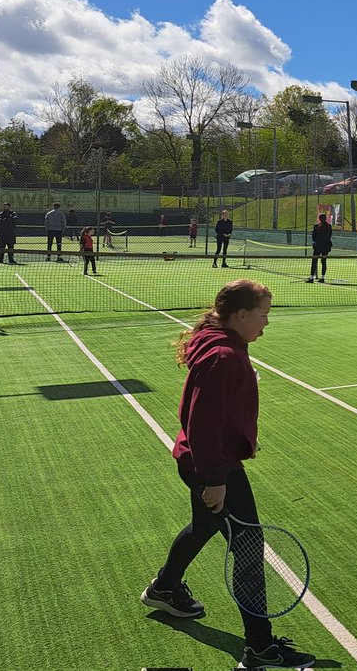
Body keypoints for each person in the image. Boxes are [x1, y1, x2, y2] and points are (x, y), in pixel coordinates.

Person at [141, 279, 315, 671]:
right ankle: (260, 650)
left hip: (203, 462)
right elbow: (200, 421)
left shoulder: (225, 344)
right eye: (263, 314)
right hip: (214, 466)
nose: (266, 323)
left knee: (203, 526)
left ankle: (164, 589)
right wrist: (216, 478)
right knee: (250, 551)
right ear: (241, 315)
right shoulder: (224, 356)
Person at [307, 213, 333, 283]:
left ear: (319, 219)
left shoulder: (316, 226)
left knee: (314, 261)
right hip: (326, 246)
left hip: (318, 246)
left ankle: (311, 278)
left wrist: (315, 242)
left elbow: (313, 236)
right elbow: (330, 235)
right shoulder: (329, 226)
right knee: (323, 262)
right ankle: (322, 278)